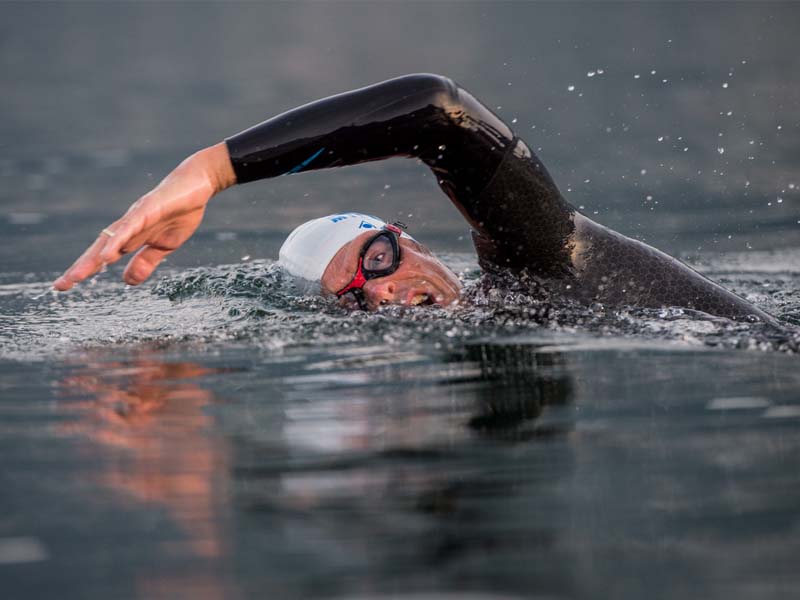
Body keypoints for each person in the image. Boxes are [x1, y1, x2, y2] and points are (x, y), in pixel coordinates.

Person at [53, 73, 775, 323]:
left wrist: (211, 171)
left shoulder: (542, 264)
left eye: (377, 259)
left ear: (409, 239)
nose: (381, 291)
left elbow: (436, 112)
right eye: (353, 298)